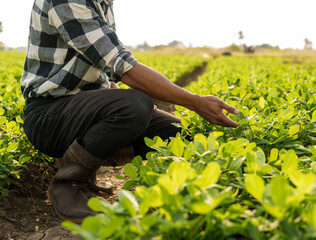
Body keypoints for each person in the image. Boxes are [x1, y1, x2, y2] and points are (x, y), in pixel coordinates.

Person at [21, 0, 239, 223]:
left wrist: (116, 96)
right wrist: (195, 102)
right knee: (136, 106)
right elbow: (124, 67)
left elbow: (101, 65)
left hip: (81, 107)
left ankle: (91, 170)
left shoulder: (102, 2)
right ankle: (67, 184)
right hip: (48, 114)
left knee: (174, 131)